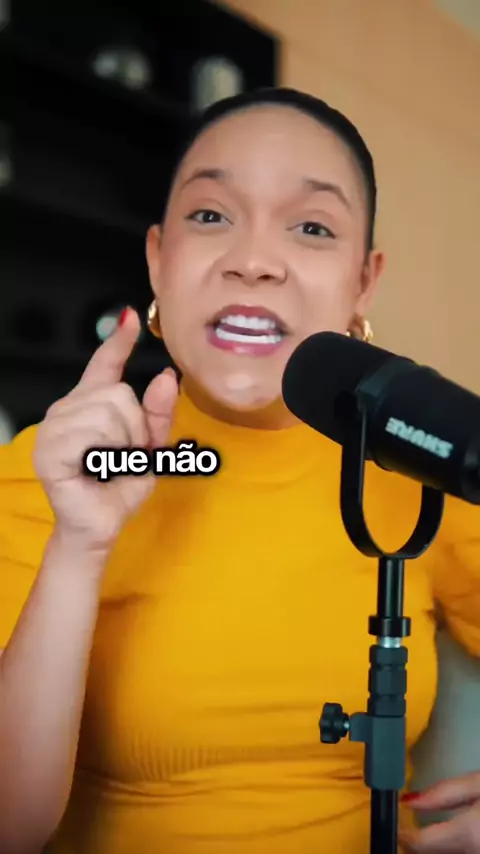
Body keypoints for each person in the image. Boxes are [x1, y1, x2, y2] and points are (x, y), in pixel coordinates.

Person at [0, 87, 479, 854]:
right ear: (158, 259)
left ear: (363, 281)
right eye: (211, 215)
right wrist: (79, 546)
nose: (253, 262)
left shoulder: (416, 470)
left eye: (312, 227)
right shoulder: (48, 473)